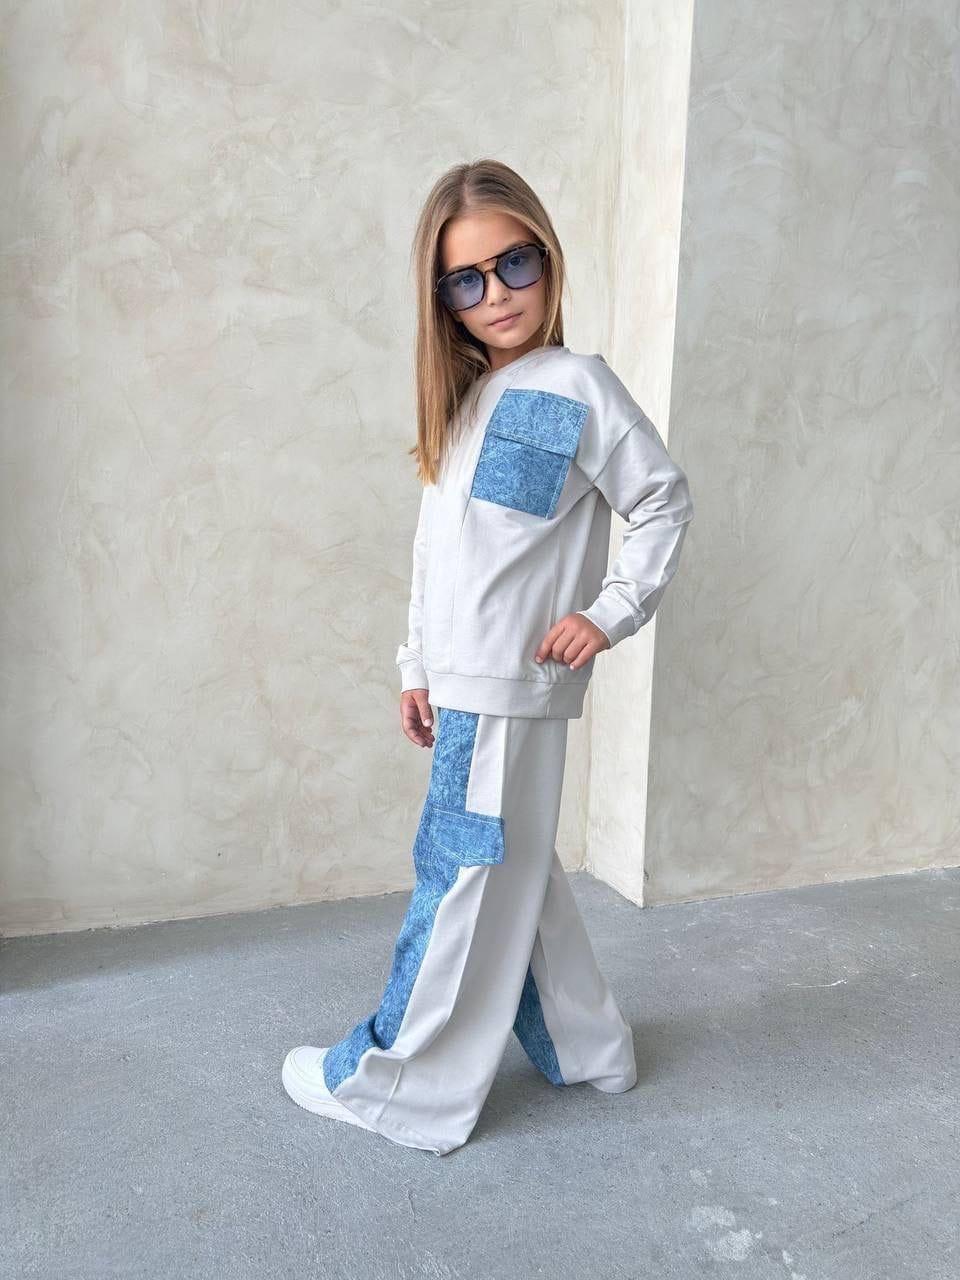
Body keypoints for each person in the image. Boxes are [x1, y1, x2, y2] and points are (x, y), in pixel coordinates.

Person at [281, 158, 694, 1155]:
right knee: (511, 867)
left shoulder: (580, 384)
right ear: (443, 300)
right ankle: (590, 1048)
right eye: (467, 280)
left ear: (547, 256)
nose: (498, 295)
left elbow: (660, 499)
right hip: (464, 685)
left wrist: (609, 612)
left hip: (515, 687)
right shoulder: (466, 406)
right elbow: (438, 556)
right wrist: (414, 664)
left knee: (460, 875)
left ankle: (399, 1084)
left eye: (515, 264)